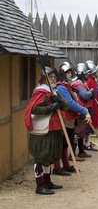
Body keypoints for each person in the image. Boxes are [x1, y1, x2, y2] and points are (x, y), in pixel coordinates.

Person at [24, 66, 70, 195]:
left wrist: (59, 101)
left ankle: (47, 181)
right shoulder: (41, 92)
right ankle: (40, 185)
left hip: (55, 128)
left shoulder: (54, 91)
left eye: (55, 76)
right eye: (50, 76)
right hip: (43, 130)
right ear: (44, 78)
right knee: (41, 156)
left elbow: (66, 106)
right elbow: (34, 109)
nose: (54, 78)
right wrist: (50, 108)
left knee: (50, 156)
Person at [53, 62, 91, 176]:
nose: (70, 74)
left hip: (69, 119)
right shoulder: (60, 87)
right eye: (67, 72)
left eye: (70, 72)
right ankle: (57, 167)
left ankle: (66, 165)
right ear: (62, 74)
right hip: (64, 118)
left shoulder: (66, 86)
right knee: (61, 144)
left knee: (66, 143)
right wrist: (84, 110)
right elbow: (69, 103)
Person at [71, 63, 95, 159]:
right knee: (78, 132)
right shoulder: (78, 83)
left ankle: (81, 151)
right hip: (79, 110)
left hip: (82, 110)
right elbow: (84, 95)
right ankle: (72, 154)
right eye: (85, 74)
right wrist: (91, 92)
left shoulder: (80, 83)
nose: (87, 76)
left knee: (82, 132)